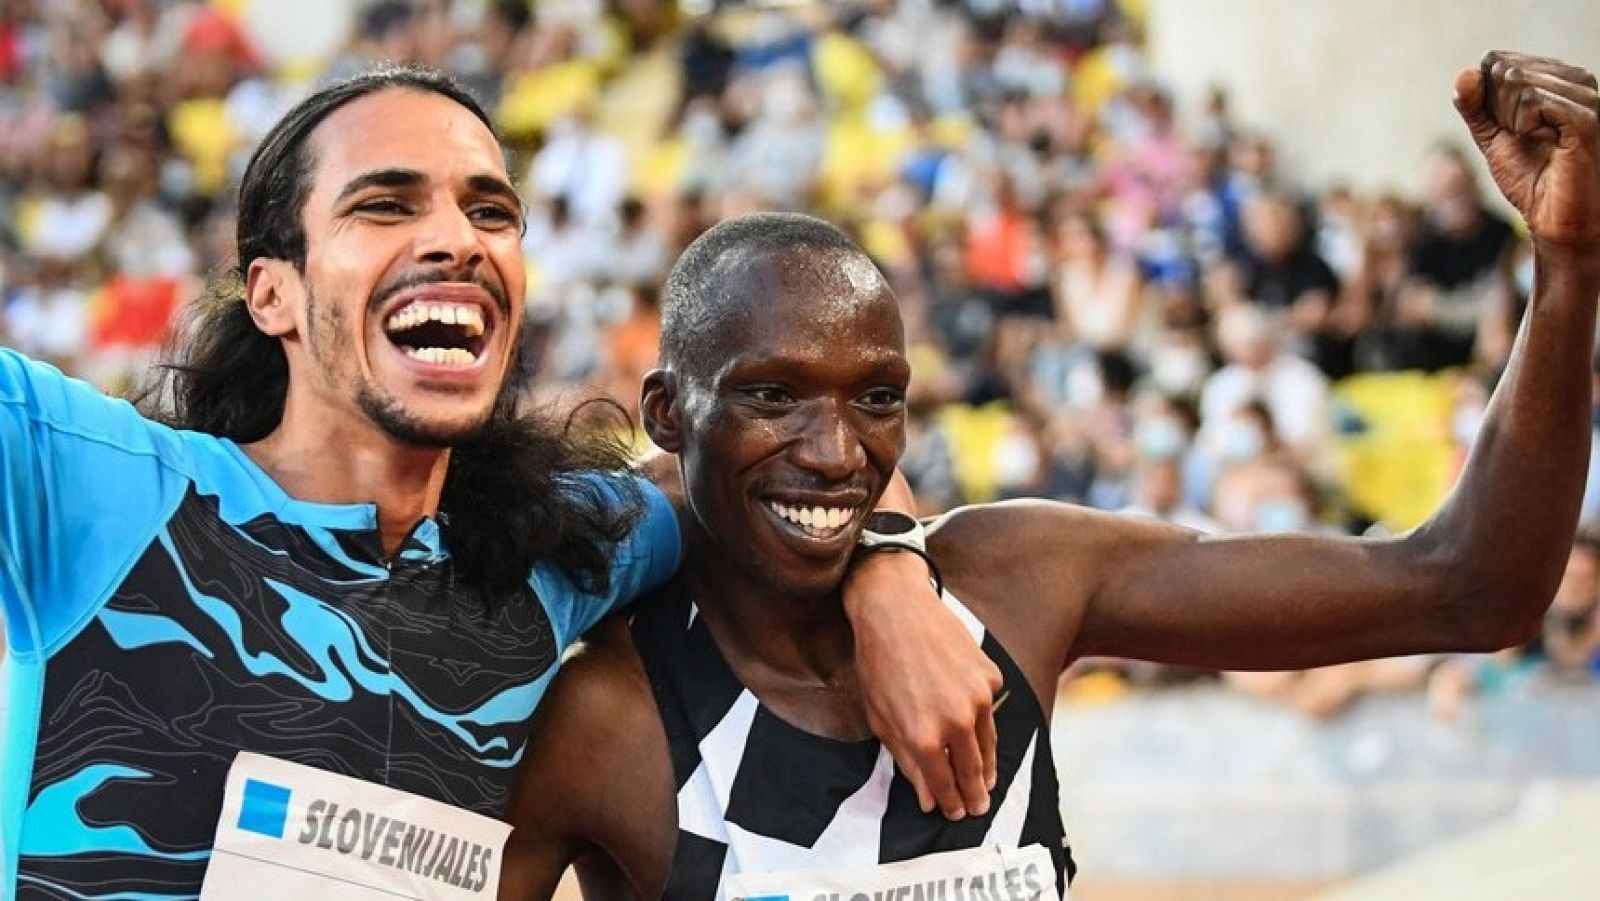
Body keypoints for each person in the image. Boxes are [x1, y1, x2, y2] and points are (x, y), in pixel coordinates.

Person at [499, 52, 1600, 900]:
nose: (836, 450)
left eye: (875, 396)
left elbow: (1469, 585)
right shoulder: (602, 719)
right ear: (666, 413)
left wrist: (1566, 272)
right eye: (771, 394)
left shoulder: (1013, 579)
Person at [0, 68, 999, 897]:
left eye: (491, 210)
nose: (456, 238)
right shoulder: (89, 482)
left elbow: (789, 460)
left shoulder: (546, 554)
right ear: (274, 292)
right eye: (384, 204)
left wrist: (893, 579)